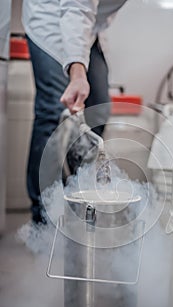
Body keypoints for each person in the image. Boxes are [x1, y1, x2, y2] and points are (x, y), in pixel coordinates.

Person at [22, 0, 127, 223]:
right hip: (51, 17)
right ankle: (44, 215)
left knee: (98, 110)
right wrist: (77, 74)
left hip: (89, 27)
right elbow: (76, 7)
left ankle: (79, 200)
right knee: (54, 112)